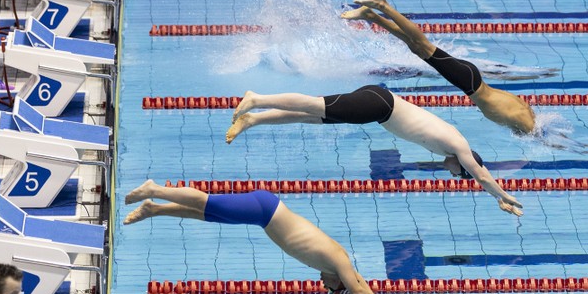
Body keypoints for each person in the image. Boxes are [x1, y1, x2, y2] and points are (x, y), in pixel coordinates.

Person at [341, 0, 588, 153]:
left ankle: (372, 15)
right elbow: (542, 139)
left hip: (472, 78)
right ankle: (383, 6)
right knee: (422, 45)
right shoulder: (526, 125)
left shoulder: (526, 111)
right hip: (468, 82)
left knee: (418, 47)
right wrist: (563, 146)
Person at [225, 86, 524, 216]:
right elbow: (483, 177)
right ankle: (256, 99)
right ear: (464, 166)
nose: (454, 174)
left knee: (314, 116)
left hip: (378, 107)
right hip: (381, 105)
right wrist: (504, 197)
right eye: (460, 174)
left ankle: (254, 119)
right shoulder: (459, 147)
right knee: (314, 106)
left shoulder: (449, 146)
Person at [124, 180, 394, 294]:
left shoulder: (333, 266)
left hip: (262, 217)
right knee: (208, 203)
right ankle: (154, 189)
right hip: (267, 210)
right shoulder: (338, 261)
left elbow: (359, 284)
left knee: (208, 214)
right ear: (341, 282)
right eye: (330, 287)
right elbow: (358, 289)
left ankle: (154, 209)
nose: (324, 284)